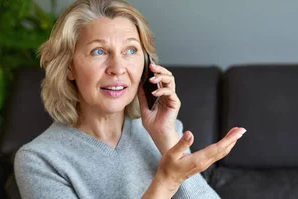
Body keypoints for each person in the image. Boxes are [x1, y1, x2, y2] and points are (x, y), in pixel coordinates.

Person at [13, 0, 246, 198]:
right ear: (69, 68)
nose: (117, 68)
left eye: (131, 51)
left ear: (147, 65)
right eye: (99, 51)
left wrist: (165, 138)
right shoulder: (39, 160)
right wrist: (166, 180)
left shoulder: (169, 131)